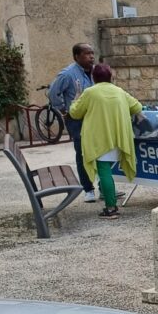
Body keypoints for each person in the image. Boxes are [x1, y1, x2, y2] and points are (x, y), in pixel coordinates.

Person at [68, 63, 142, 218]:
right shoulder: (119, 91)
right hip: (119, 137)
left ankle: (111, 208)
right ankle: (109, 201)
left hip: (100, 139)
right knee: (105, 171)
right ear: (111, 77)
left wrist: (75, 99)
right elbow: (137, 106)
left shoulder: (89, 92)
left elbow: (75, 113)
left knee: (104, 172)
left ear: (94, 78)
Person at [48, 42, 96, 201]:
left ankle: (105, 187)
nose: (91, 57)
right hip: (77, 120)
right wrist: (63, 111)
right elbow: (53, 93)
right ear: (77, 57)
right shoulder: (68, 74)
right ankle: (88, 189)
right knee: (82, 154)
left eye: (92, 53)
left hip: (95, 118)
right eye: (87, 54)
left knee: (101, 152)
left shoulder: (96, 72)